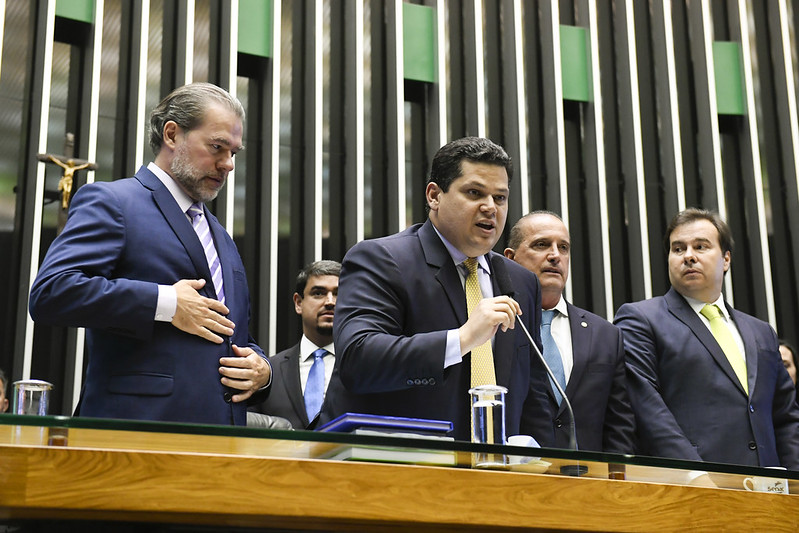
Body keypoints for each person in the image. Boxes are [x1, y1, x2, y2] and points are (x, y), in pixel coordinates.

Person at [29, 82, 270, 426]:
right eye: (217, 147)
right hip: (137, 430)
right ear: (172, 135)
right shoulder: (113, 202)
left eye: (234, 152)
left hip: (221, 442)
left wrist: (261, 370)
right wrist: (166, 303)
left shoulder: (221, 236)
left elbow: (230, 332)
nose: (228, 164)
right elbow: (52, 292)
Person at [320, 137, 553, 444]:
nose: (490, 208)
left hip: (495, 477)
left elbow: (533, 395)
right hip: (396, 468)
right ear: (434, 195)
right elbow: (359, 360)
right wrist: (463, 338)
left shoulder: (520, 281)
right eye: (474, 193)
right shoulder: (381, 259)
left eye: (500, 198)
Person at [614, 208, 799, 468]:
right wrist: (698, 475)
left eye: (700, 246)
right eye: (678, 249)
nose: (688, 256)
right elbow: (647, 409)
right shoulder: (641, 319)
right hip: (693, 489)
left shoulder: (762, 332)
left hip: (769, 493)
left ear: (726, 260)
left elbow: (785, 417)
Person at [503, 211, 635, 453]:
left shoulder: (606, 335)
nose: (555, 256)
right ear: (510, 258)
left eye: (563, 248)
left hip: (588, 481)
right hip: (516, 479)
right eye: (541, 245)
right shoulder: (495, 326)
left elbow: (619, 428)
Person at [249, 260, 340, 429]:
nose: (330, 302)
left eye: (338, 294)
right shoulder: (268, 372)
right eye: (318, 293)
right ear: (299, 303)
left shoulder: (363, 370)